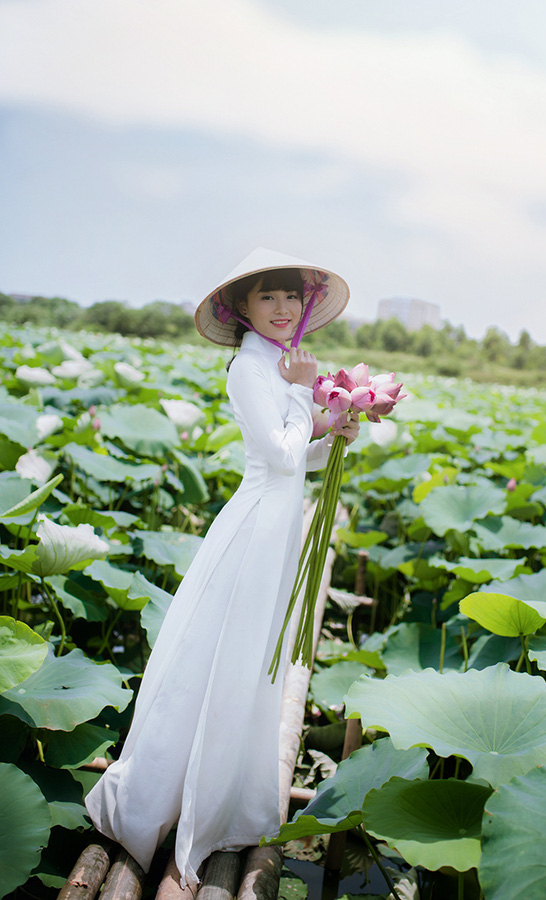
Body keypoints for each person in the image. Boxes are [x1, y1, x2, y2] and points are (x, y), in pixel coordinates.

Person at [85, 248, 359, 890]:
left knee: (250, 656)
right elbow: (280, 458)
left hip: (280, 527)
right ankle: (176, 807)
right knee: (223, 653)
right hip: (255, 528)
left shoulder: (281, 365)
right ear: (242, 307)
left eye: (292, 297)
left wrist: (337, 429)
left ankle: (225, 792)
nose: (283, 307)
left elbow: (303, 457)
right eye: (268, 297)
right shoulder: (249, 368)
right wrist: (301, 394)